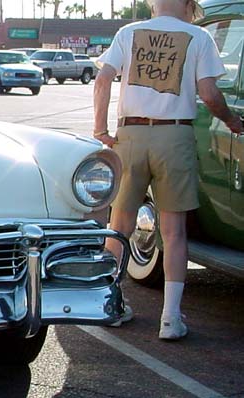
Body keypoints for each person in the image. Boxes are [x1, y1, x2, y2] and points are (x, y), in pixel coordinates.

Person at [93, 0, 243, 340]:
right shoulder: (197, 37)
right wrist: (232, 122)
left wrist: (101, 130)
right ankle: (170, 318)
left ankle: (110, 304)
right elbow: (210, 94)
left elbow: (103, 81)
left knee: (120, 224)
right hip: (175, 134)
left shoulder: (128, 33)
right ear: (189, 5)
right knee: (174, 230)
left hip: (130, 134)